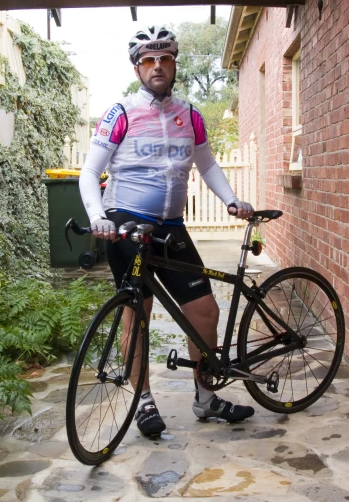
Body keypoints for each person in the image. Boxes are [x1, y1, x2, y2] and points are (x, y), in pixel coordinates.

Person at [79, 25, 255, 437]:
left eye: (165, 59)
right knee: (135, 315)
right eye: (149, 61)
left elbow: (207, 164)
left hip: (172, 225)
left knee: (205, 311)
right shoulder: (120, 112)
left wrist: (230, 198)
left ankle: (206, 398)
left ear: (174, 63)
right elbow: (90, 171)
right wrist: (97, 214)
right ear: (138, 67)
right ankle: (143, 400)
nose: (157, 67)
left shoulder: (189, 114)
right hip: (126, 221)